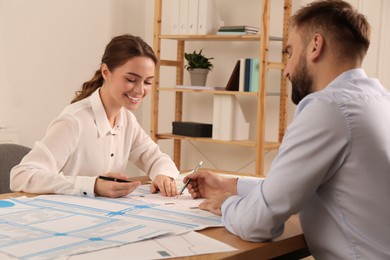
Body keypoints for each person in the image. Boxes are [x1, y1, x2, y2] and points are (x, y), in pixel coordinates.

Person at [183, 0, 390, 259]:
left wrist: (226, 204)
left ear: (315, 45)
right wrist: (231, 184)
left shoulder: (327, 108)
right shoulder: (379, 100)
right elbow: (287, 186)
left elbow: (258, 223)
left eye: (289, 53)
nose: (286, 71)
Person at [10, 34, 179, 198]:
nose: (140, 90)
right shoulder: (74, 120)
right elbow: (21, 176)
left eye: (148, 82)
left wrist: (163, 175)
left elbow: (155, 157)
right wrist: (93, 186)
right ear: (106, 72)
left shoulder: (127, 120)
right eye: (131, 79)